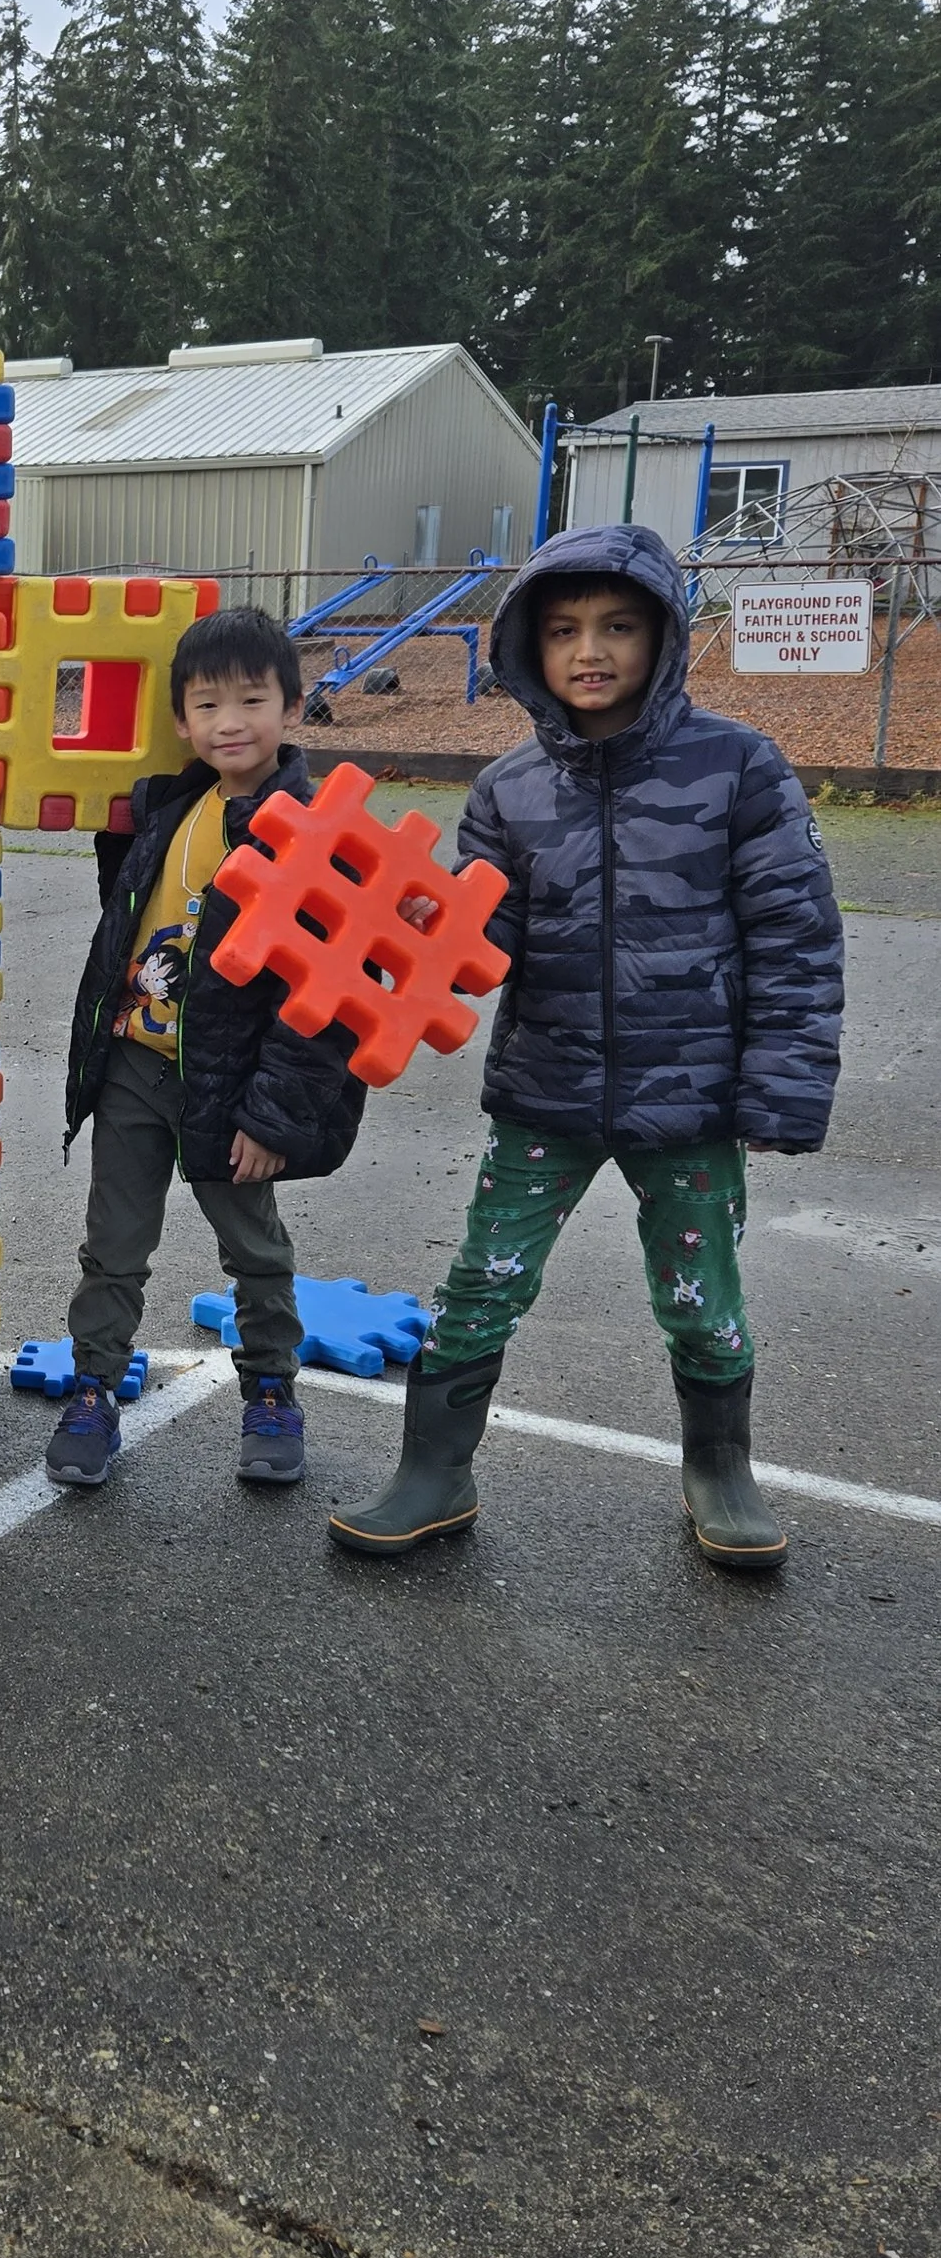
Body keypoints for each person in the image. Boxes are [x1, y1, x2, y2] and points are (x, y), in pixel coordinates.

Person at [330, 520, 843, 1571]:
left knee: (700, 1298)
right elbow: (484, 943)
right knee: (481, 1281)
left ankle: (719, 1468)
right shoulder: (508, 791)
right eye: (561, 630)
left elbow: (795, 938)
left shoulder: (737, 769)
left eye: (616, 625)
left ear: (661, 634)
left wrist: (780, 1091)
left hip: (690, 1100)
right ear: (529, 647)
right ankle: (435, 1470)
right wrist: (408, 941)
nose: (588, 650)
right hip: (545, 1093)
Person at [47, 605, 366, 1494]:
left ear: (292, 707)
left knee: (253, 1248)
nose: (231, 722)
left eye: (252, 700)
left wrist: (272, 1117)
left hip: (232, 1089)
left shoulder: (310, 828)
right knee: (113, 1244)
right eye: (208, 704)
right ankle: (93, 1391)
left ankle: (270, 1392)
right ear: (182, 721)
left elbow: (321, 994)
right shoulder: (165, 806)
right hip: (135, 1067)